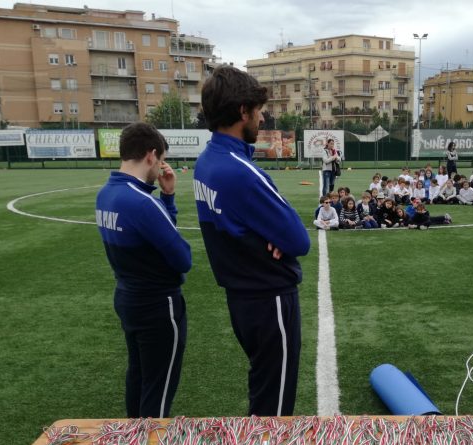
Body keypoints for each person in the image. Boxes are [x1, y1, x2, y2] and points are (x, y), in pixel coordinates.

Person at [195, 66, 311, 416]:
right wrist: (275, 236)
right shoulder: (240, 171)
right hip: (268, 298)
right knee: (274, 408)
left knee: (263, 389)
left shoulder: (206, 161)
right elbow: (299, 240)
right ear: (242, 111)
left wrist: (269, 233)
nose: (262, 118)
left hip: (243, 298)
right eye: (259, 110)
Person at [95, 122, 191, 418]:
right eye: (161, 160)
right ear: (151, 155)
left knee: (138, 375)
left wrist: (168, 196)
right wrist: (166, 202)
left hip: (128, 297)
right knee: (158, 388)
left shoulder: (105, 194)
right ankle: (150, 444)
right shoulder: (142, 203)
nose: (161, 167)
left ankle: (132, 438)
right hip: (158, 304)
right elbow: (183, 257)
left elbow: (159, 236)